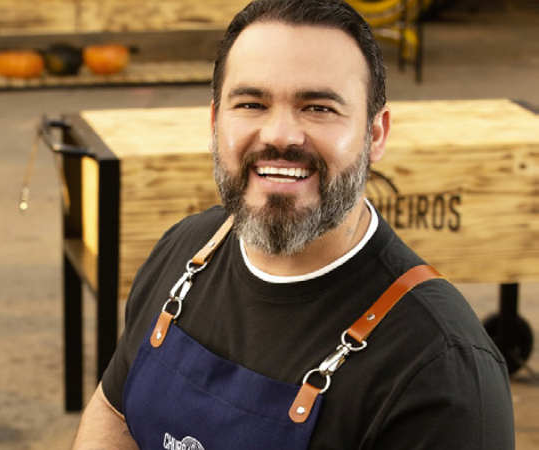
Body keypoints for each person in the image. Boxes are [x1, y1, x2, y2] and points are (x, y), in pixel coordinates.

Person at [72, 0, 515, 448]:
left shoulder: (441, 368)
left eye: (318, 108)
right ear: (214, 121)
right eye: (251, 103)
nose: (279, 135)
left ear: (375, 134)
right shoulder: (185, 247)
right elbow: (114, 410)